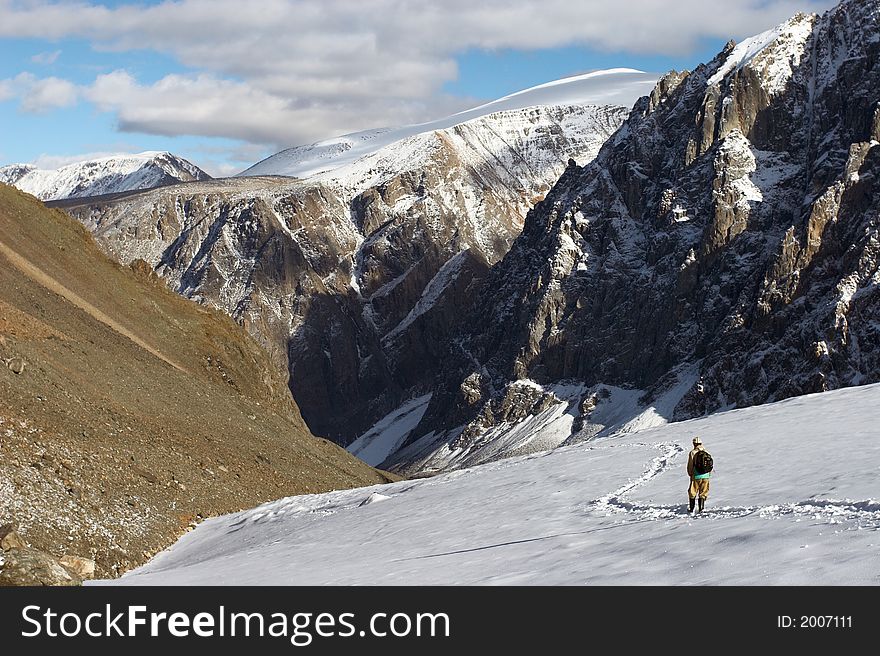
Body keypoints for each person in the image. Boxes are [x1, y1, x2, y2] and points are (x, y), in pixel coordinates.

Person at [686, 436, 710, 513]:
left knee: (692, 492)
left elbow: (690, 464)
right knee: (703, 492)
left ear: (694, 443)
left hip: (696, 475)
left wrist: (690, 473)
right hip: (706, 475)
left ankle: (691, 509)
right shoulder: (706, 452)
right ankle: (701, 508)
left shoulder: (693, 452)